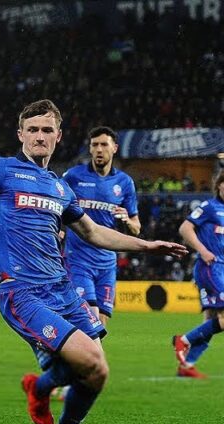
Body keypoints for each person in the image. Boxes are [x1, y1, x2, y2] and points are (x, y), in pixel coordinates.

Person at [0, 100, 187, 424]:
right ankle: (43, 388)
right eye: (32, 130)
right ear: (20, 134)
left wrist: (146, 245)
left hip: (62, 289)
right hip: (23, 292)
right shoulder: (0, 170)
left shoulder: (60, 187)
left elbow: (93, 232)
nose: (39, 136)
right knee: (87, 359)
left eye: (47, 130)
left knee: (98, 371)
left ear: (58, 136)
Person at [171, 168, 224, 379]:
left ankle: (187, 365)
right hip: (208, 268)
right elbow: (185, 229)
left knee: (211, 321)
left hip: (221, 267)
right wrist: (203, 250)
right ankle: (184, 341)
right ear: (219, 185)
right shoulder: (209, 207)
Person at [62, 126, 140, 325]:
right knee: (90, 317)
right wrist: (57, 231)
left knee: (101, 323)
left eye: (103, 144)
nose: (99, 149)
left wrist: (127, 221)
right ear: (89, 149)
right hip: (78, 260)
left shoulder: (125, 183)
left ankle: (78, 355)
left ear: (114, 148)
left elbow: (136, 228)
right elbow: (56, 206)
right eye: (94, 145)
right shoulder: (73, 176)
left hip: (107, 263)